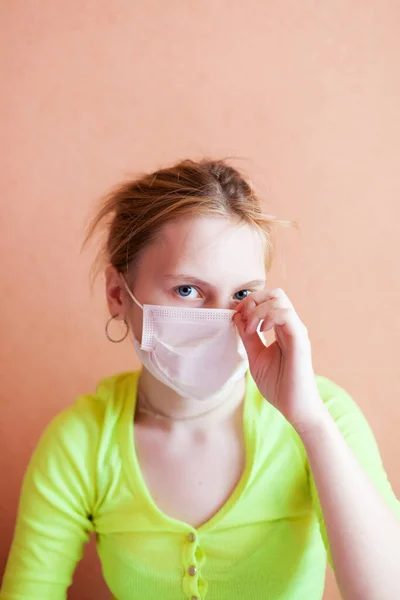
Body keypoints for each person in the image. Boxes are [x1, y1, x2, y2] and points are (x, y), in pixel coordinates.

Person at [1, 159, 399, 600]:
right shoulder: (81, 442)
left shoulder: (325, 415)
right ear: (119, 294)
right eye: (188, 290)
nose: (219, 318)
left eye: (242, 294)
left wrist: (310, 423)